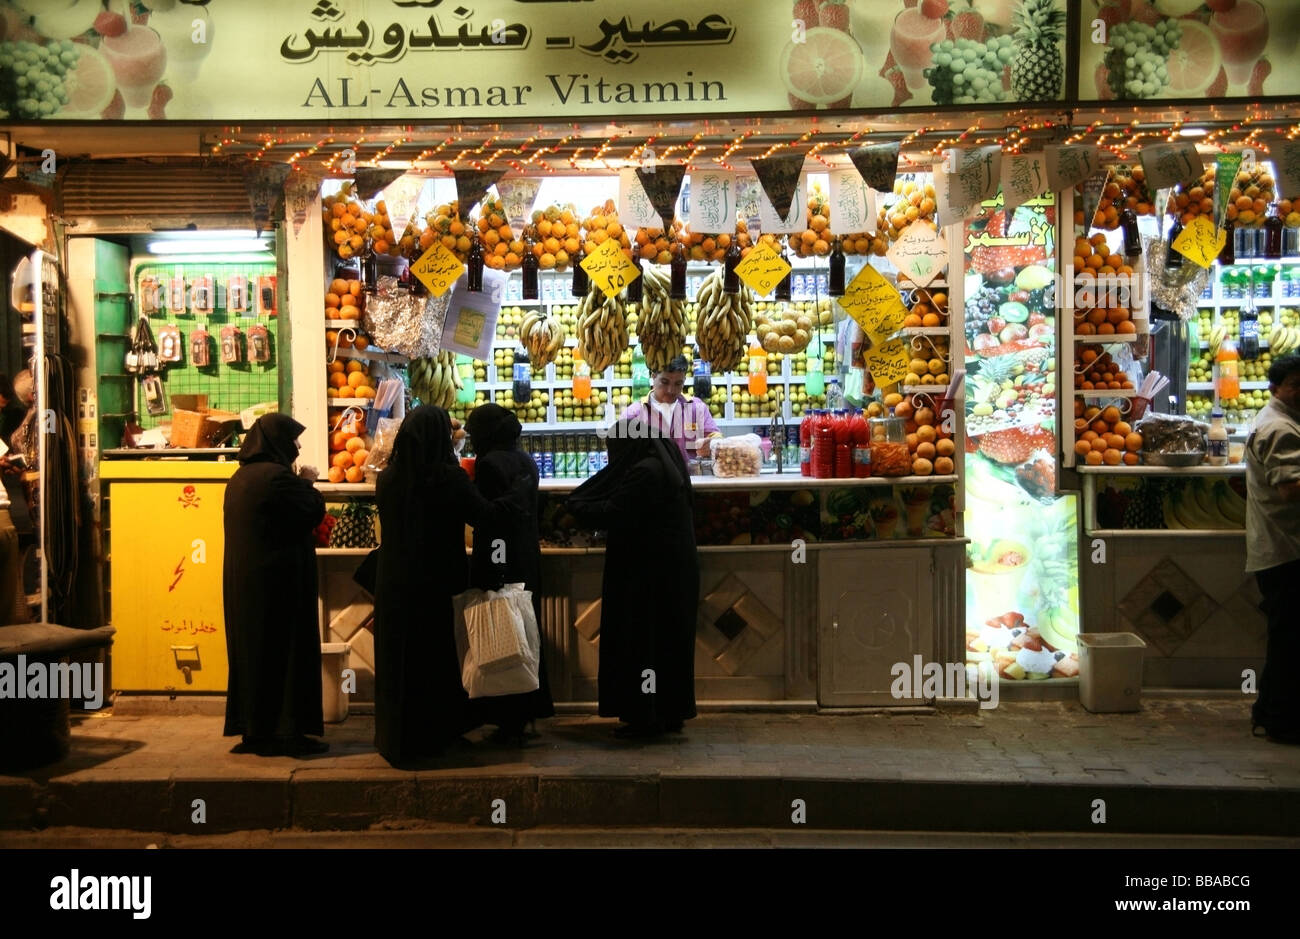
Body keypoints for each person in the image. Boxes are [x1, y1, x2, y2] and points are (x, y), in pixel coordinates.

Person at [373, 405, 530, 765]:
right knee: (436, 658)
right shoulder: (449, 477)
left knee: (400, 658)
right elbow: (484, 517)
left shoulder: (389, 478)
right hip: (438, 579)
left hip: (395, 580)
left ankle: (397, 740)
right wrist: (516, 497)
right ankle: (435, 737)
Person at [565, 417, 699, 738]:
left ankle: (645, 718)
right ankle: (668, 712)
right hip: (671, 571)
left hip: (648, 574)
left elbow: (615, 511)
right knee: (666, 646)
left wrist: (575, 508)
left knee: (642, 644)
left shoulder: (645, 472)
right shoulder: (663, 462)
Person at [222, 413, 328, 756]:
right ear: (277, 442)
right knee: (287, 654)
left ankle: (255, 730)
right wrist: (308, 482)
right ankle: (288, 733)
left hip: (247, 585)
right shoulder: (277, 479)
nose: (297, 446)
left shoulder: (240, 478)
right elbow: (312, 510)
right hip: (279, 585)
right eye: (293, 439)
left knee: (254, 656)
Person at [464, 403, 555, 745]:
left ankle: (506, 715)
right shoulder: (527, 460)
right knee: (525, 631)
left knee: (500, 634)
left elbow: (488, 516)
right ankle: (527, 709)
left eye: (474, 432)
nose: (471, 438)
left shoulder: (488, 464)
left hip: (499, 555)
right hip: (526, 555)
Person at [1244, 352, 1300, 745]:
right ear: (1276, 388)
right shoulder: (1281, 428)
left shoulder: (1279, 421)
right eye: (1296, 384)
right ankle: (1281, 722)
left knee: (1287, 637)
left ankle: (1268, 713)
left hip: (1279, 549)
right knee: (1290, 641)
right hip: (1287, 550)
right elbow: (1290, 488)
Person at [620, 355, 721, 465]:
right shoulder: (634, 414)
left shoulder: (696, 408)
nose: (671, 390)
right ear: (653, 376)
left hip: (690, 480)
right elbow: (620, 456)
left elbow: (716, 438)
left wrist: (713, 443)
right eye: (664, 382)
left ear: (684, 381)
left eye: (678, 384)